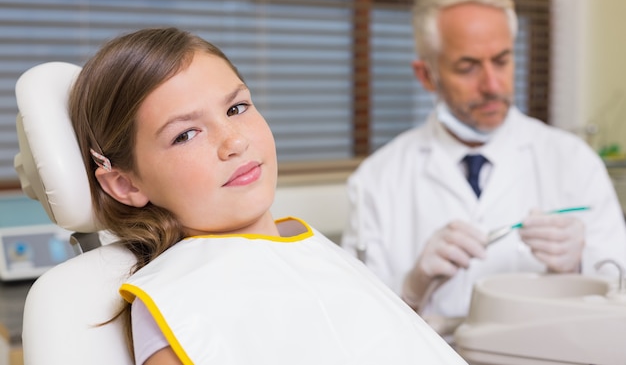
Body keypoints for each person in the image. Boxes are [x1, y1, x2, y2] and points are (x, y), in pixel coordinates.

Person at [68, 27, 467, 364]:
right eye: (185, 134)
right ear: (127, 185)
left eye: (237, 108)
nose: (234, 142)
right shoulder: (177, 302)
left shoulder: (307, 246)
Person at [341, 0, 626, 335]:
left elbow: (620, 296)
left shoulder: (573, 161)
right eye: (468, 67)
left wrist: (579, 264)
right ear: (426, 75)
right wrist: (413, 286)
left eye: (502, 61)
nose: (492, 84)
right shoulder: (376, 180)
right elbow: (353, 322)